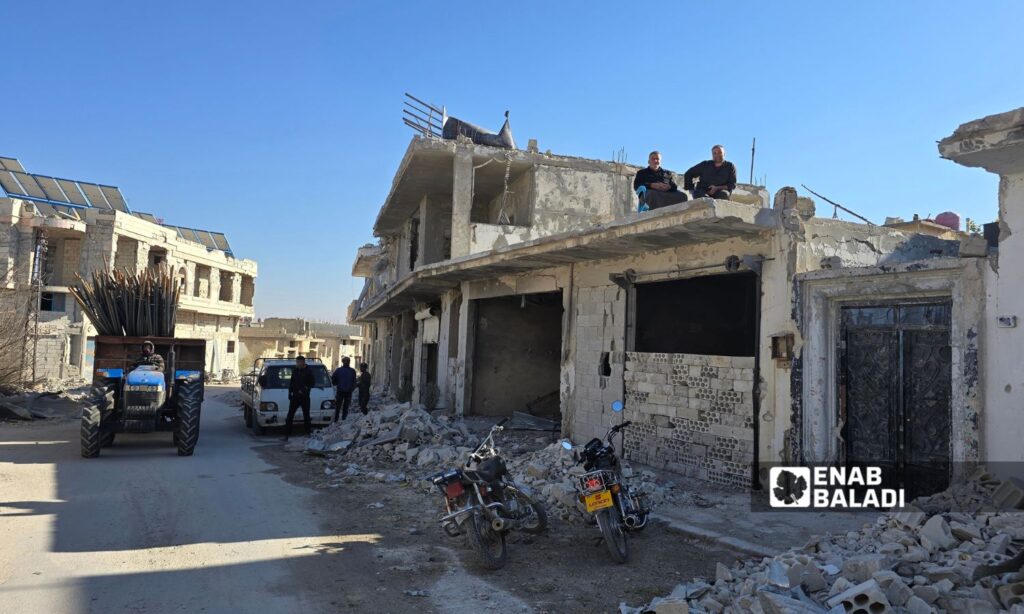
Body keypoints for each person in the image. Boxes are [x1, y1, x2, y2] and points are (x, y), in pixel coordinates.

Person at [282, 355, 315, 441]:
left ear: (303, 362)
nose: (297, 364)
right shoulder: (295, 370)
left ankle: (308, 433)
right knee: (290, 416)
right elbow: (292, 383)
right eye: (296, 362)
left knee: (306, 416)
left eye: (298, 362)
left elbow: (312, 383)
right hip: (295, 397)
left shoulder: (309, 371)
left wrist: (304, 390)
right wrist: (290, 393)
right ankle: (286, 435)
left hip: (304, 397)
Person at [331, 357, 357, 421]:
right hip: (342, 391)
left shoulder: (350, 371)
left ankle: (341, 419)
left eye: (347, 361)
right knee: (340, 406)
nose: (346, 362)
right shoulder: (349, 371)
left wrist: (351, 389)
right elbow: (333, 379)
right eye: (345, 361)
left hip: (345, 391)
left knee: (343, 407)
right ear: (343, 362)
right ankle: (339, 419)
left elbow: (354, 381)